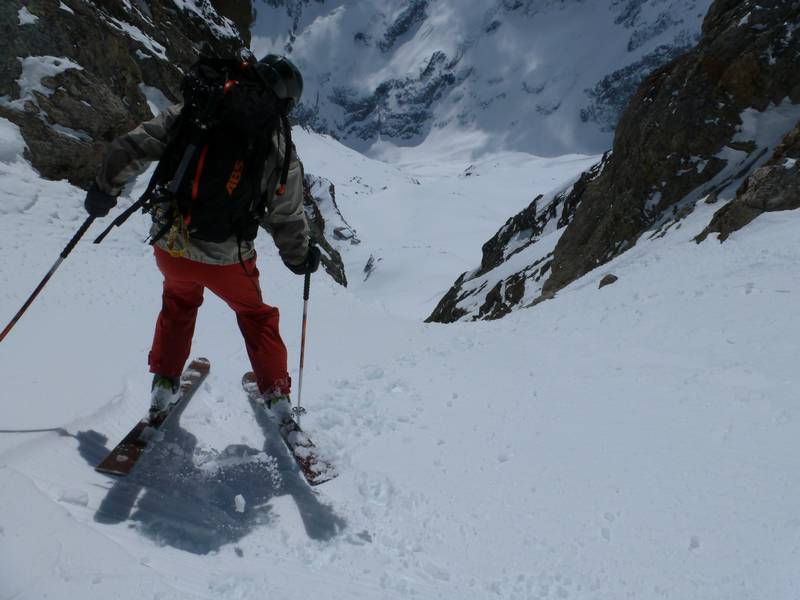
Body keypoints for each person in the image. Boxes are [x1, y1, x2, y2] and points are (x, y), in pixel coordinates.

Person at [83, 53, 320, 422]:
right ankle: (276, 396)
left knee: (178, 303)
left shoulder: (200, 106)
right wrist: (299, 257)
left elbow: (136, 143)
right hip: (228, 257)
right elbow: (286, 212)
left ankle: (164, 385)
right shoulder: (275, 141)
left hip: (171, 243)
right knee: (256, 316)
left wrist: (103, 188)